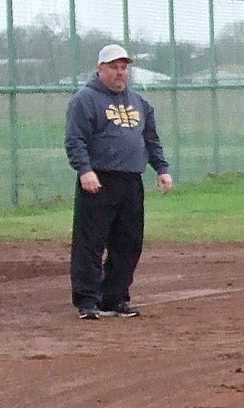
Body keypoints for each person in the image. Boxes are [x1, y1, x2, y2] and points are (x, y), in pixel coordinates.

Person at [65, 43, 174, 320]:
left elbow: (150, 139)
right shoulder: (85, 100)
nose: (120, 73)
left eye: (124, 68)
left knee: (128, 242)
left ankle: (114, 298)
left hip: (131, 180)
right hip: (98, 180)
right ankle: (88, 300)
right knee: (91, 242)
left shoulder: (139, 102)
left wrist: (161, 169)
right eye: (114, 67)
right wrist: (85, 170)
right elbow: (75, 140)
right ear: (100, 69)